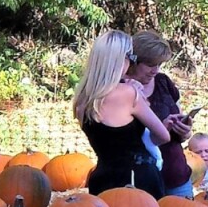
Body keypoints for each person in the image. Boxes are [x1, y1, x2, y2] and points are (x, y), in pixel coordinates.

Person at [74, 30, 172, 198]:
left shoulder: (82, 99)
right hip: (138, 179)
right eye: (130, 58)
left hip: (103, 179)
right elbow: (163, 135)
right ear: (121, 60)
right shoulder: (129, 93)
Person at [126, 31, 195, 197]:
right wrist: (158, 130)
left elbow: (180, 123)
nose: (155, 70)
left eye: (159, 65)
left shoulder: (163, 82)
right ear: (134, 61)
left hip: (175, 174)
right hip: (140, 179)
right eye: (150, 64)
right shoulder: (121, 89)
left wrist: (185, 131)